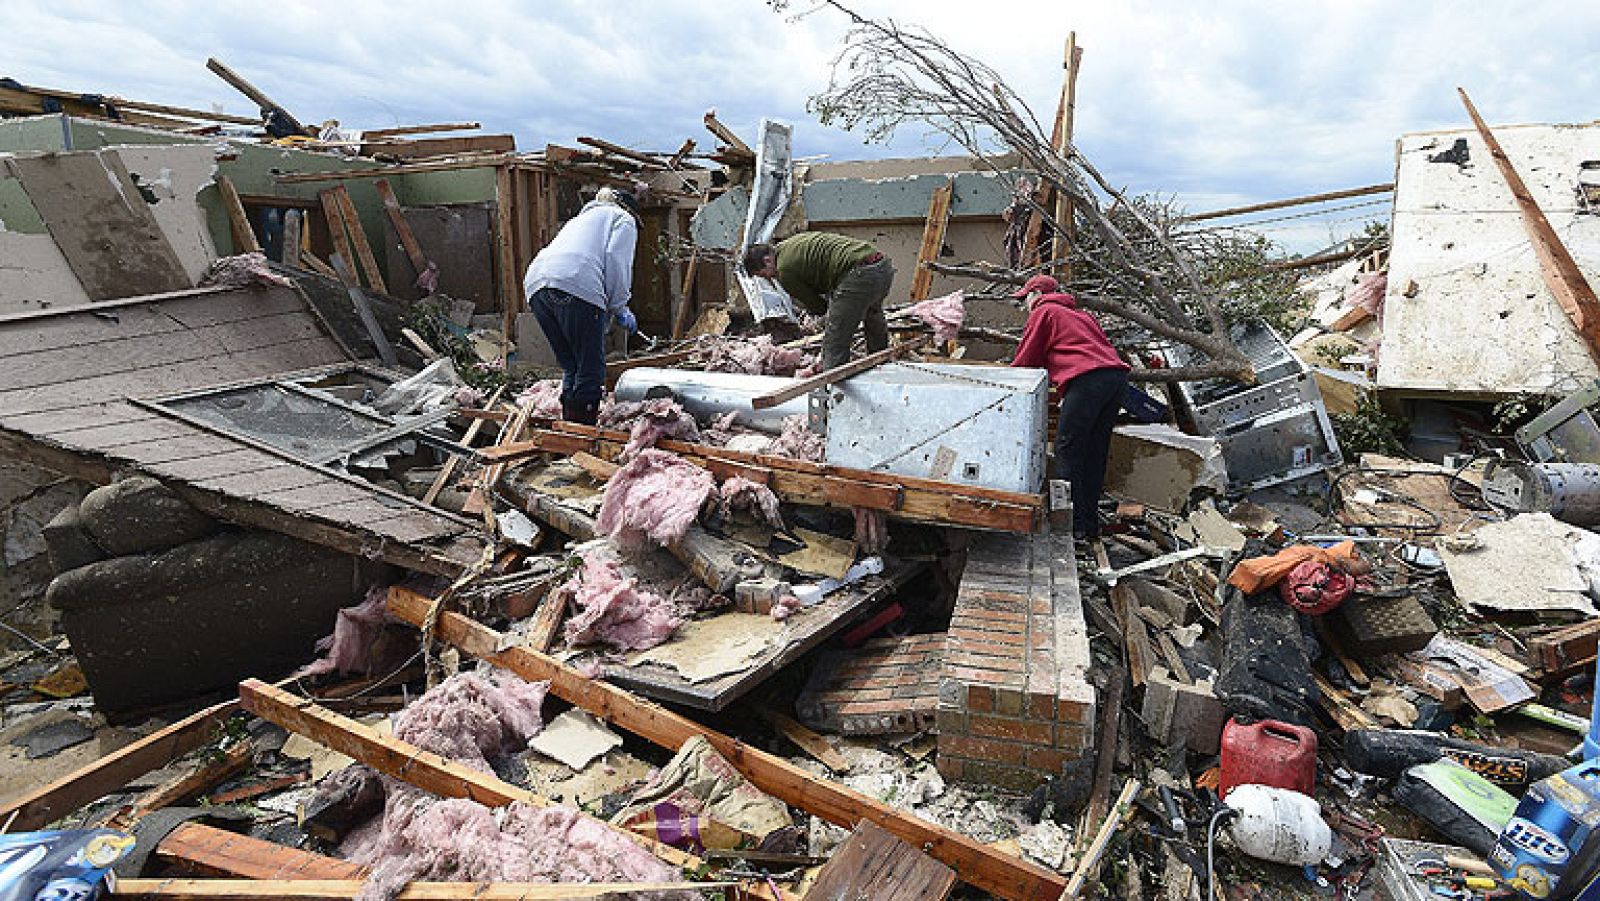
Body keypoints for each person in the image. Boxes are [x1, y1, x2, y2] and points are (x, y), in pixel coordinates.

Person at [1009, 274, 1130, 540]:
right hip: (1115, 380)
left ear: (1036, 294)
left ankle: (1071, 528)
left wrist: (1005, 387)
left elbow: (1026, 361)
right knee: (1093, 454)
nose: (1025, 305)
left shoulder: (1044, 311)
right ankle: (1089, 526)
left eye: (1025, 298)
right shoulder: (1083, 316)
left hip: (1087, 382)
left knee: (1067, 451)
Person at [523, 187, 640, 425]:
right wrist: (620, 307)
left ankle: (569, 428)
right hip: (577, 282)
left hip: (536, 284)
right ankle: (582, 435)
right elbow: (616, 262)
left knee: (571, 365)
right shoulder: (623, 219)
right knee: (590, 367)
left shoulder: (579, 220)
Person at [742, 232, 894, 370]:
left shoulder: (784, 271)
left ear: (768, 261)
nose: (770, 279)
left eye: (764, 275)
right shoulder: (787, 246)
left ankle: (833, 388)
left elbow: (818, 306)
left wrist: (816, 322)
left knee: (835, 341)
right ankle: (882, 366)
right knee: (873, 316)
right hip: (881, 265)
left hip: (858, 274)